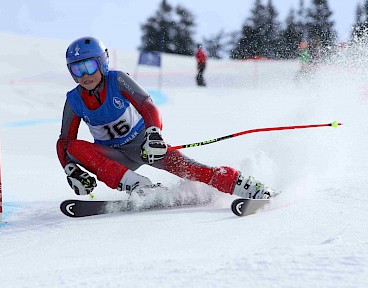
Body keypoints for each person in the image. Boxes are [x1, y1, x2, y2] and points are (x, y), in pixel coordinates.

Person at [57, 36, 276, 200]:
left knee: (191, 168)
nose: (84, 75)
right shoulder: (74, 100)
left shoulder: (117, 80)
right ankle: (138, 186)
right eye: (77, 69)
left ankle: (245, 186)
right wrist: (70, 168)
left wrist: (154, 133)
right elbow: (64, 142)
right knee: (74, 147)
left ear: (102, 62)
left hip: (145, 146)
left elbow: (147, 105)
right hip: (114, 157)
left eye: (89, 66)